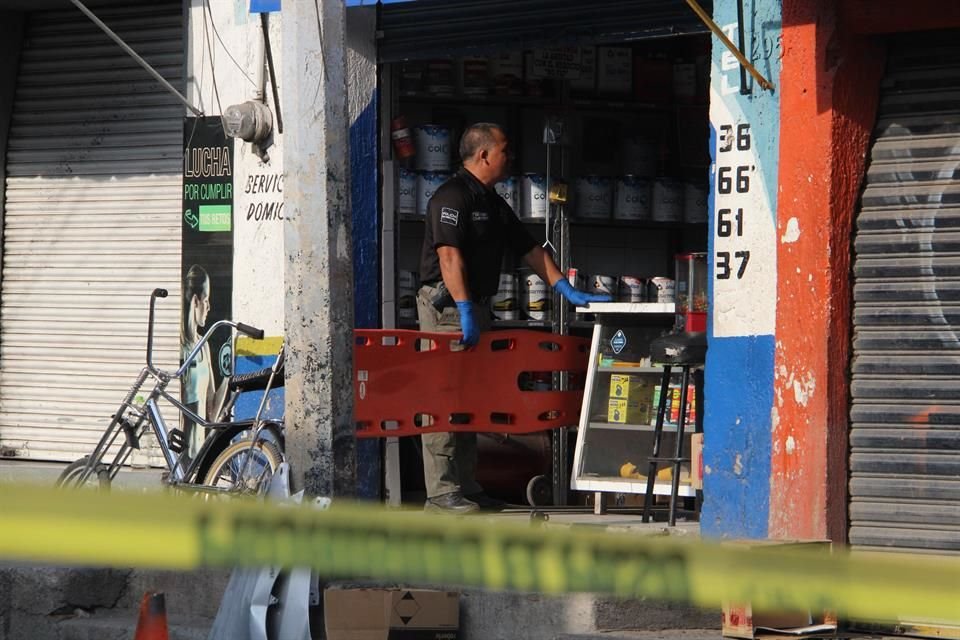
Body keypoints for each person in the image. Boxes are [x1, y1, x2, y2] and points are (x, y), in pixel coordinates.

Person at [416, 122, 610, 514]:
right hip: (449, 308)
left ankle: (467, 487)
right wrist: (465, 307)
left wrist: (563, 287)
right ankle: (441, 493)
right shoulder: (451, 197)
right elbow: (448, 256)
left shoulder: (491, 200)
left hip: (475, 307)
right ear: (484, 155)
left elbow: (529, 248)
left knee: (469, 401)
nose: (511, 156)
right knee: (444, 398)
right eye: (505, 149)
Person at [181, 264, 216, 460]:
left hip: (200, 455)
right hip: (184, 458)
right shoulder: (180, 351)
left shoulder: (204, 346)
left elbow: (212, 407)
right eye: (206, 300)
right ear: (196, 301)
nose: (209, 307)